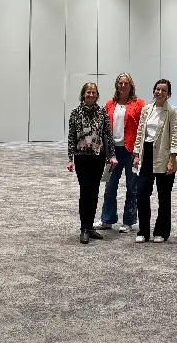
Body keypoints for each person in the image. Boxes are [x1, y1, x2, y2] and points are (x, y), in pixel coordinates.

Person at [67, 82, 116, 244]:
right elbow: (71, 137)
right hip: (82, 157)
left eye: (94, 92)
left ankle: (90, 227)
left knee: (94, 191)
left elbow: (107, 134)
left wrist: (112, 155)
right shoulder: (75, 113)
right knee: (85, 191)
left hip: (98, 157)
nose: (91, 95)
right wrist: (70, 158)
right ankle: (84, 228)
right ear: (83, 94)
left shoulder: (102, 112)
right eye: (88, 92)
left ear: (97, 95)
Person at [95, 73, 145, 233]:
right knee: (110, 186)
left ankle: (129, 221)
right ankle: (107, 219)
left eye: (126, 83)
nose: (123, 86)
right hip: (113, 151)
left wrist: (138, 151)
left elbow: (142, 129)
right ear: (117, 85)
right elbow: (103, 128)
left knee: (132, 187)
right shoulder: (110, 104)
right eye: (120, 83)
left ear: (131, 86)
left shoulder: (139, 104)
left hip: (131, 151)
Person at [133, 78, 177, 243]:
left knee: (164, 196)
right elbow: (140, 132)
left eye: (164, 90)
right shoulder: (146, 109)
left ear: (168, 94)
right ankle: (143, 231)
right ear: (154, 90)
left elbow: (175, 136)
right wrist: (136, 153)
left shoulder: (172, 111)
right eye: (158, 89)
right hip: (146, 155)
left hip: (164, 156)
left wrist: (172, 159)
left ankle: (161, 232)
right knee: (142, 193)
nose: (160, 92)